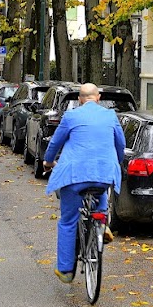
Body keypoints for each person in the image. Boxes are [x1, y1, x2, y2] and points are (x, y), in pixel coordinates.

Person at [42, 82, 126, 283]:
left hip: (75, 174)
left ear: (80, 99)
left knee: (68, 220)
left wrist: (47, 162)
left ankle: (65, 270)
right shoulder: (110, 116)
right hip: (103, 172)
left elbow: (56, 142)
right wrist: (116, 161)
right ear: (98, 98)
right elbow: (120, 144)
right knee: (100, 190)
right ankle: (102, 223)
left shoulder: (71, 116)